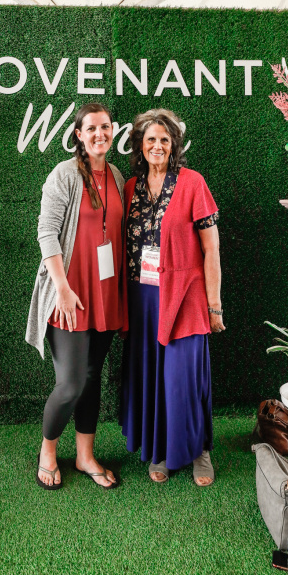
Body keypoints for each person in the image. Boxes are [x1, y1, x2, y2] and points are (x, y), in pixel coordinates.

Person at [120, 108, 225, 486]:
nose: (157, 145)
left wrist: (214, 305)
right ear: (140, 145)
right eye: (151, 139)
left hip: (185, 296)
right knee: (153, 378)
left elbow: (211, 248)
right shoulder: (130, 188)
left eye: (164, 139)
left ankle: (199, 450)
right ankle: (160, 449)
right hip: (143, 299)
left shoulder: (193, 183)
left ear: (174, 144)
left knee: (183, 379)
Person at [26, 102, 125, 490]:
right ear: (79, 135)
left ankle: (85, 456)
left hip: (105, 293)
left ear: (112, 131)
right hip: (69, 294)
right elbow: (46, 233)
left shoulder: (116, 175)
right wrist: (63, 290)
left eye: (105, 127)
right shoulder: (64, 174)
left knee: (92, 377)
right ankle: (47, 451)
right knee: (70, 383)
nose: (100, 134)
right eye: (92, 128)